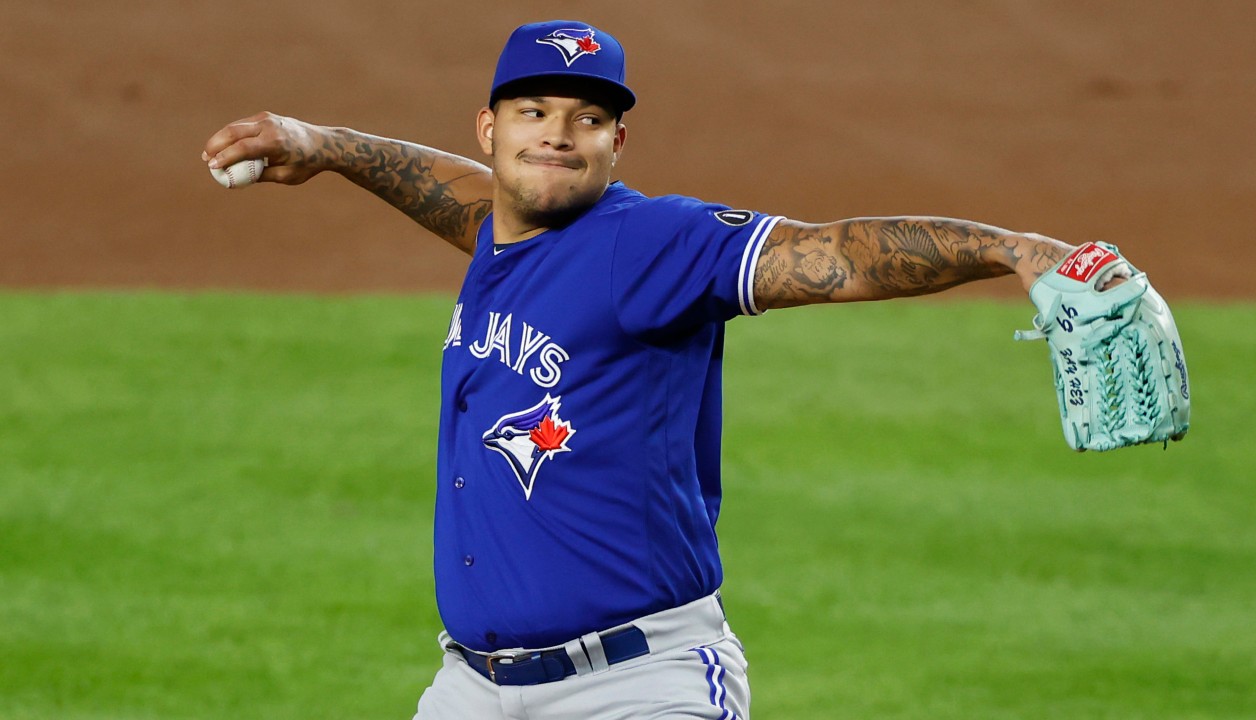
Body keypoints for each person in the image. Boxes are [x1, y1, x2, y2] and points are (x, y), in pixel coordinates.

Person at [203, 19, 1088, 720]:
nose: (558, 136)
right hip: (471, 688)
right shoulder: (504, 236)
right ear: (489, 128)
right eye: (534, 112)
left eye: (586, 120)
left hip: (634, 689)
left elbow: (833, 254)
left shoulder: (650, 243)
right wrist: (324, 144)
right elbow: (455, 194)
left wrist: (1012, 249)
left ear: (617, 141)